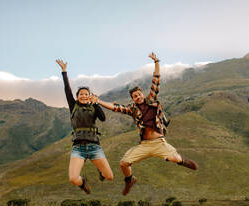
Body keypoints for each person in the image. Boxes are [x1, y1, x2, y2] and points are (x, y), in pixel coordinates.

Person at [96, 52, 198, 196]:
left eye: (138, 94)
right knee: (123, 163)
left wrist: (156, 62)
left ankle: (182, 161)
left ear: (142, 94)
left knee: (175, 158)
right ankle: (129, 180)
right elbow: (116, 107)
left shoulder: (152, 100)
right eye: (134, 96)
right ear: (132, 99)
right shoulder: (132, 109)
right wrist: (98, 101)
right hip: (145, 145)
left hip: (159, 143)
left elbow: (156, 80)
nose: (137, 97)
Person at [56, 59, 113, 194]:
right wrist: (64, 71)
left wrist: (96, 103)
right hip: (78, 148)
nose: (83, 96)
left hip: (94, 146)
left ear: (89, 96)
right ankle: (83, 183)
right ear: (77, 97)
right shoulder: (73, 106)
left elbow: (103, 118)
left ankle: (101, 170)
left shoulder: (93, 107)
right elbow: (67, 89)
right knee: (73, 179)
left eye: (86, 94)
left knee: (110, 176)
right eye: (81, 94)